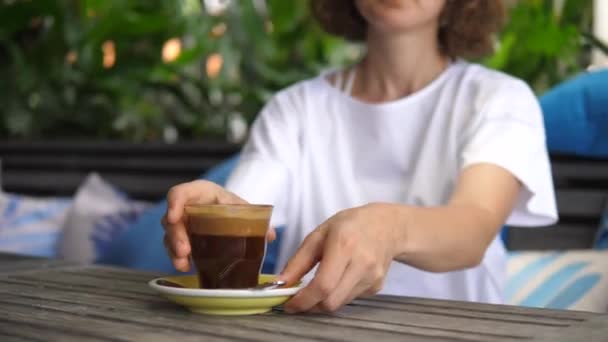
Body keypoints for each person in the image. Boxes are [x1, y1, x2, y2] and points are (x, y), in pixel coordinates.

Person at [162, 0, 557, 313]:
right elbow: (244, 207)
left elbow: (473, 230)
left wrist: (390, 228)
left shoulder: (498, 99)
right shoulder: (295, 110)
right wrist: (214, 211)